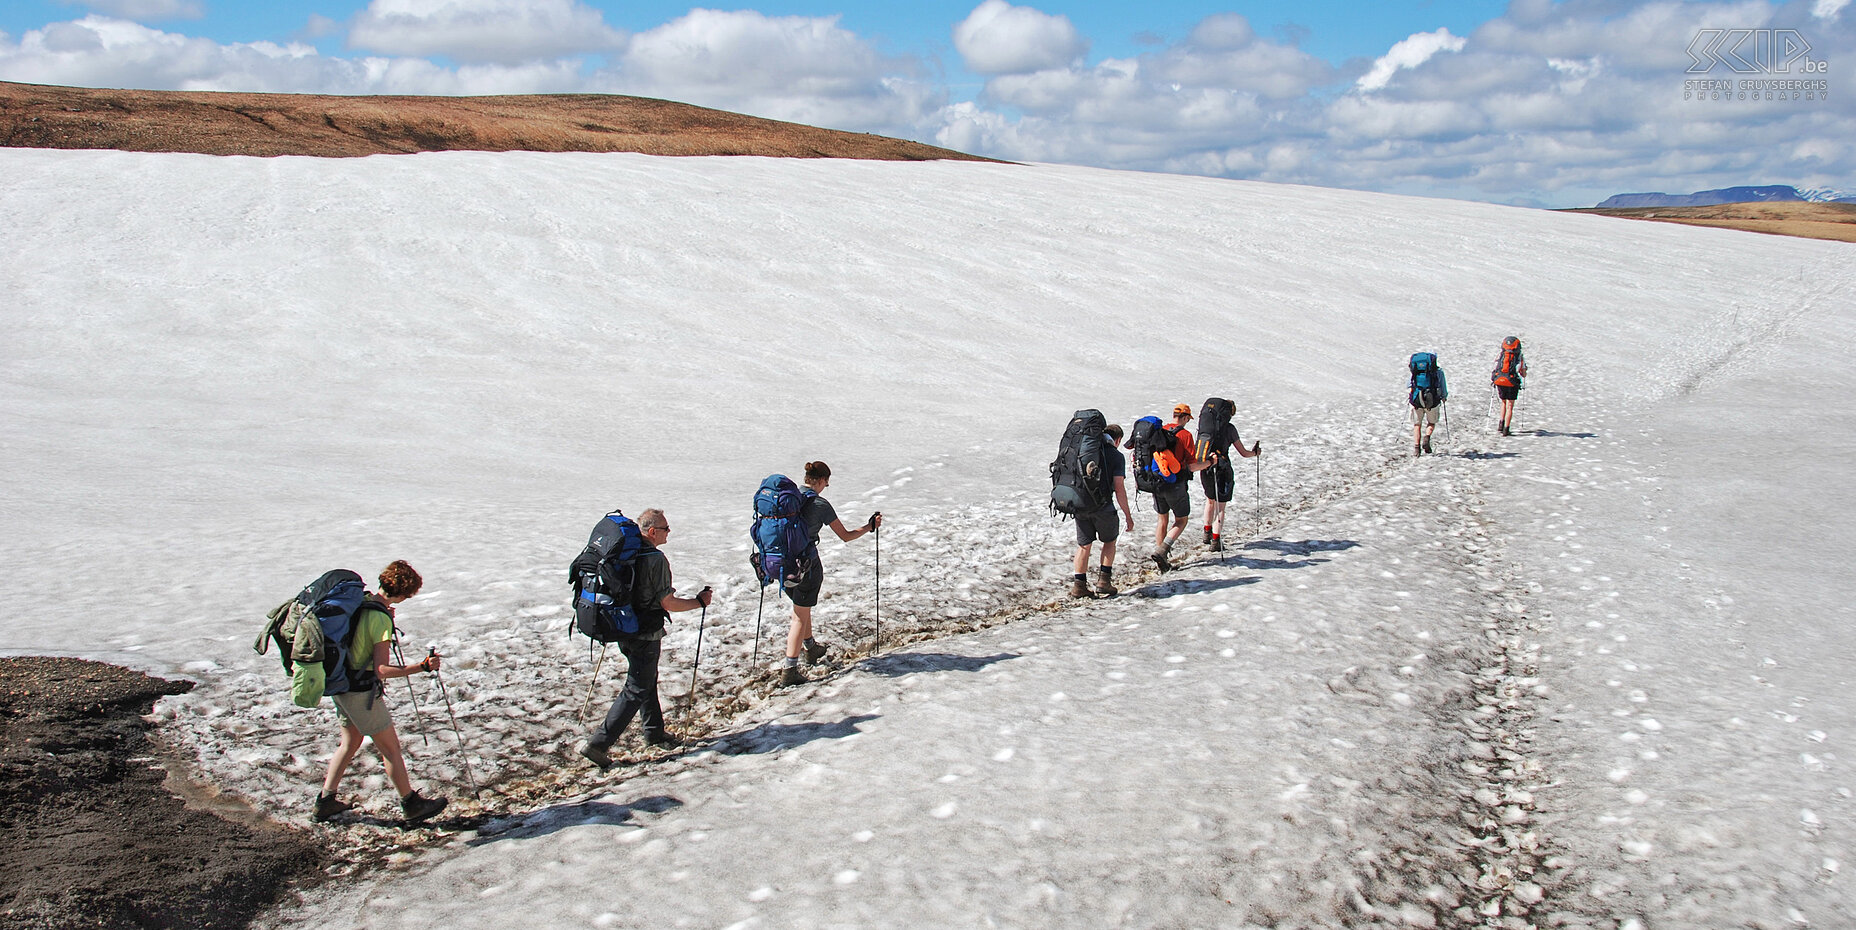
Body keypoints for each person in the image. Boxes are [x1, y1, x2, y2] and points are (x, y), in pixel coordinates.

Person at [315, 560, 449, 824]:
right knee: (391, 749)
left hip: (341, 686)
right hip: (361, 693)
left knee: (350, 742)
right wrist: (421, 667)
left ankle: (325, 801)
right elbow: (382, 670)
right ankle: (410, 803)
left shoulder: (362, 602)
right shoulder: (379, 618)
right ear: (403, 594)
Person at [579, 509, 713, 769]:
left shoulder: (625, 552)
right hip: (645, 631)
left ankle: (654, 732)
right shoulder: (655, 559)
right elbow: (668, 602)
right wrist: (699, 602)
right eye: (665, 528)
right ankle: (598, 745)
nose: (668, 532)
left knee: (645, 679)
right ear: (652, 532)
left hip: (622, 626)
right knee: (637, 686)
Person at [779, 461, 881, 687]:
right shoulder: (819, 504)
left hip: (780, 565)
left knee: (801, 607)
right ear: (822, 480)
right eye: (827, 482)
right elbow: (845, 536)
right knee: (799, 615)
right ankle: (790, 669)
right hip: (806, 567)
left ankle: (811, 646)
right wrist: (869, 527)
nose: (827, 486)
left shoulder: (788, 498)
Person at [1072, 423, 1135, 598]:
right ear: (1118, 439)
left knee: (1084, 545)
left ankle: (1079, 586)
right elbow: (1119, 488)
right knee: (1109, 542)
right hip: (1103, 507)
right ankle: (1104, 582)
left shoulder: (1084, 454)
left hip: (1081, 505)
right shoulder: (1116, 456)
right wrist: (1128, 516)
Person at [1151, 403, 1213, 571]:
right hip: (1176, 484)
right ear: (1185, 418)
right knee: (1181, 520)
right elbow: (1192, 466)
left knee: (1162, 519)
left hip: (1157, 483)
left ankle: (1160, 559)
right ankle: (1163, 550)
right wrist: (1209, 462)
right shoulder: (1185, 435)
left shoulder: (1159, 430)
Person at [1197, 403, 1261, 553]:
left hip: (1206, 466)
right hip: (1223, 468)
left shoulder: (1207, 427)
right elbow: (1244, 453)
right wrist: (1255, 453)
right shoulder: (1229, 429)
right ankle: (1216, 539)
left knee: (1210, 500)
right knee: (1221, 506)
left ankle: (1206, 533)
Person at [1409, 353, 1448, 455]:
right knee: (1431, 422)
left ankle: (1417, 448)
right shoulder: (1438, 372)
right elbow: (1442, 385)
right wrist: (1444, 396)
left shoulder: (1416, 371)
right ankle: (1427, 437)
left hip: (1417, 399)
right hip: (1432, 400)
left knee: (1417, 424)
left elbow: (1409, 384)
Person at [1491, 336, 1528, 436]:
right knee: (1510, 406)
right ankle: (1506, 429)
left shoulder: (1501, 355)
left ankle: (1501, 424)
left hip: (1500, 380)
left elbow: (1495, 367)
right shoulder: (1519, 357)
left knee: (1503, 402)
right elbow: (1523, 374)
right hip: (1512, 381)